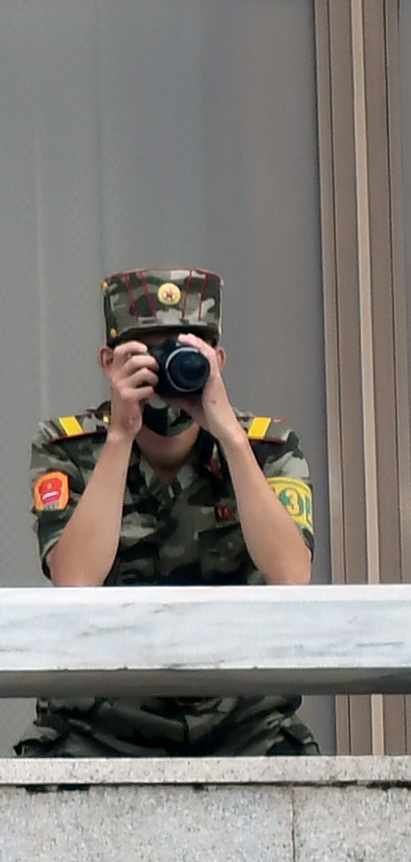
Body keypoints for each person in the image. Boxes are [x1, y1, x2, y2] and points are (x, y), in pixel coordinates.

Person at [20, 266, 317, 758]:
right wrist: (120, 434)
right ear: (109, 362)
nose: (164, 370)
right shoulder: (66, 448)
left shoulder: (267, 447)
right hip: (100, 723)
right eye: (147, 354)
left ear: (218, 360)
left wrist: (230, 437)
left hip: (243, 724)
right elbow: (74, 579)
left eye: (185, 351)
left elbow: (291, 573)